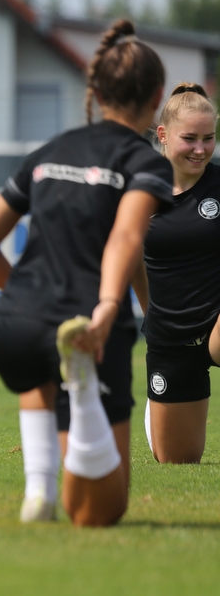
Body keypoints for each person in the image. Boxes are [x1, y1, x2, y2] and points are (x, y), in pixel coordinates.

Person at [0, 19, 172, 527]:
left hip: (10, 326)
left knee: (39, 364)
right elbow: (125, 237)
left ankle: (39, 492)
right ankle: (80, 389)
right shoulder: (144, 160)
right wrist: (104, 309)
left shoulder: (48, 151)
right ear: (157, 98)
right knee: (102, 512)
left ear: (96, 92)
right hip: (83, 330)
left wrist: (25, 297)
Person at [135, 83, 218, 464]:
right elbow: (130, 261)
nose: (200, 149)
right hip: (171, 340)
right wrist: (151, 313)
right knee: (177, 464)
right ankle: (158, 414)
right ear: (164, 135)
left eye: (209, 138)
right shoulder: (139, 193)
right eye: (190, 139)